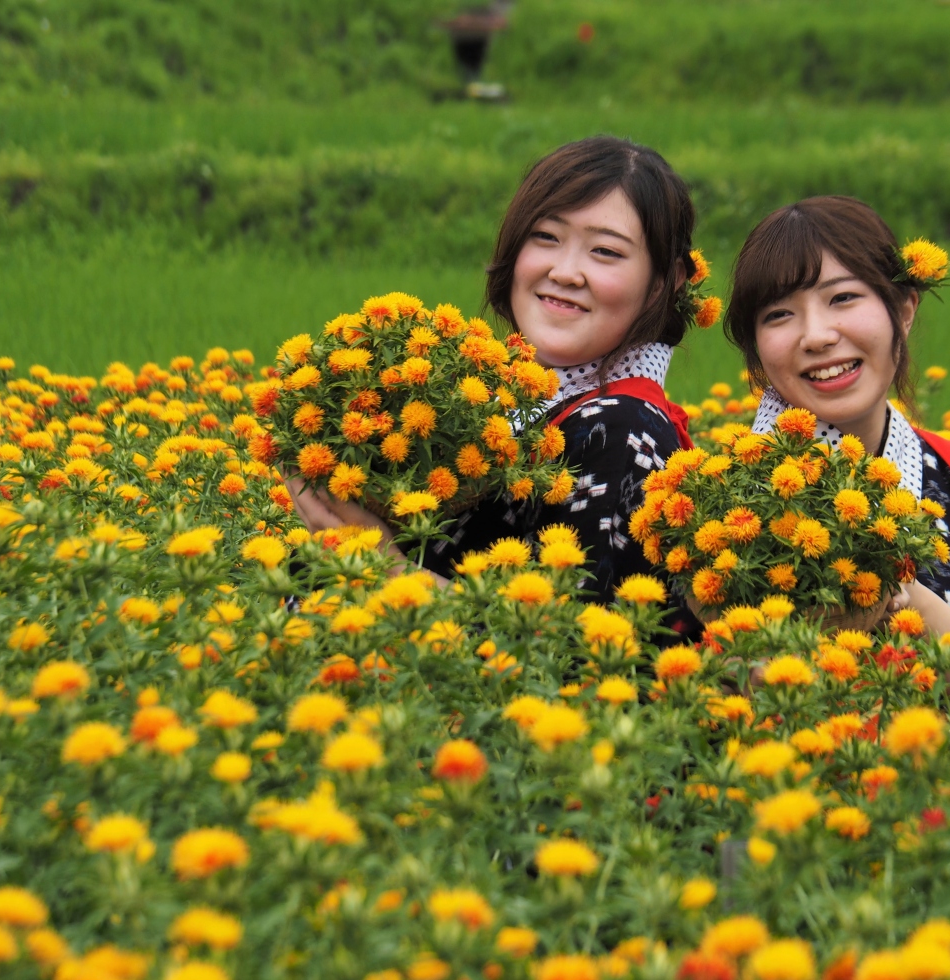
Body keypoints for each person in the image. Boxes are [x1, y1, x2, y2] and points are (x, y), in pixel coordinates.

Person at [289, 136, 704, 622]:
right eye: (546, 237)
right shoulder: (504, 407)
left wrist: (383, 567)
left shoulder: (620, 429)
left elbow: (587, 655)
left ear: (665, 281)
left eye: (605, 252)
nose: (564, 271)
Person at [723, 195, 950, 644]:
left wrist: (912, 601)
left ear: (905, 310)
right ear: (756, 348)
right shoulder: (718, 509)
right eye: (779, 314)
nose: (816, 336)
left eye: (843, 297)